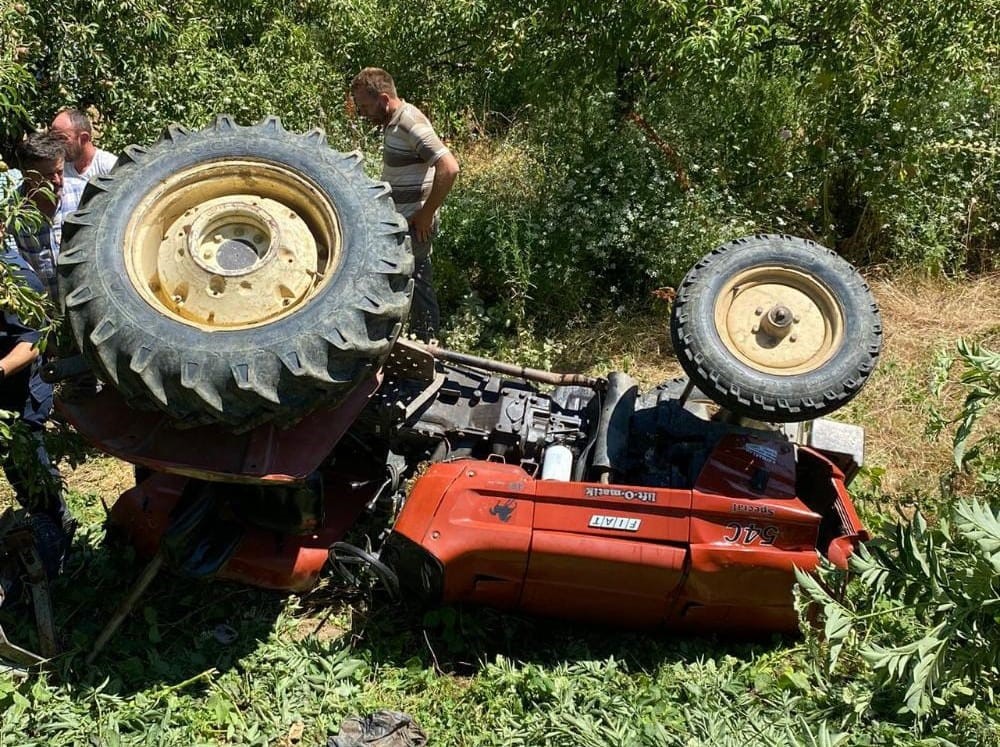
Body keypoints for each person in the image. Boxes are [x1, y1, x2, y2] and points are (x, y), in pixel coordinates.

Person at [350, 67, 459, 341]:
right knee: (401, 281)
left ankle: (428, 343)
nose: (362, 113)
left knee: (418, 283)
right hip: (401, 221)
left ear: (384, 100)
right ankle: (404, 339)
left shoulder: (409, 122)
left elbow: (449, 167)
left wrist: (426, 214)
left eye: (365, 106)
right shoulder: (393, 122)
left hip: (415, 223)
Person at [5, 132, 65, 300]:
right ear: (27, 175)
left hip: (82, 306)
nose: (57, 180)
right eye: (48, 175)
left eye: (60, 172)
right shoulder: (13, 209)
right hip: (44, 310)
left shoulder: (82, 196)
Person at [50, 108, 117, 219]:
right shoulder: (60, 167)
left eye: (62, 138)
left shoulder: (110, 168)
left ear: (84, 138)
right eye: (53, 139)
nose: (56, 145)